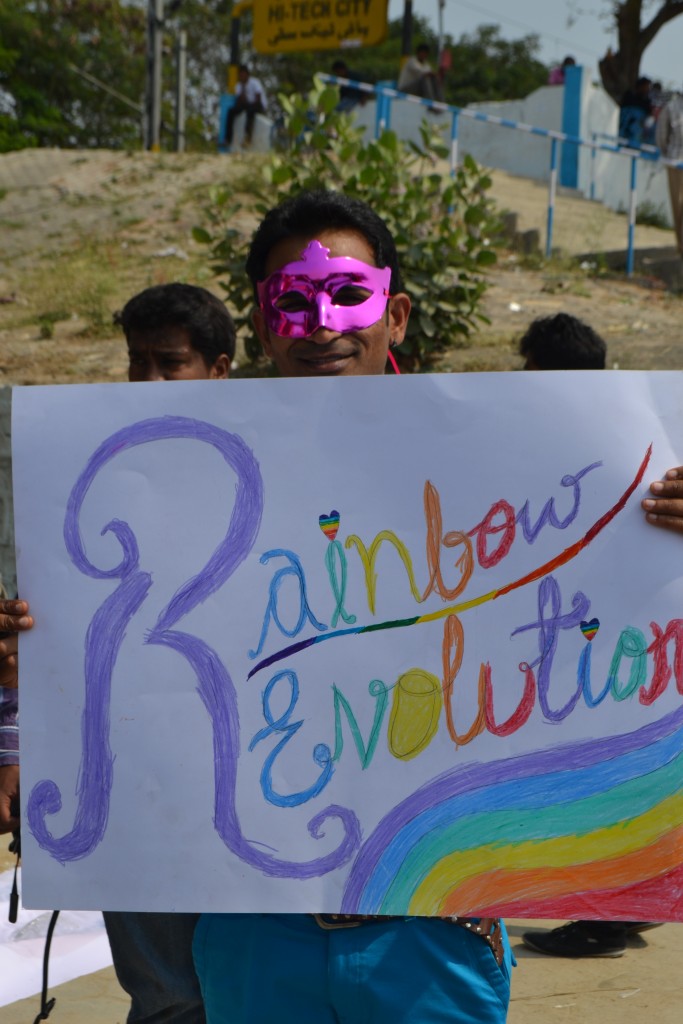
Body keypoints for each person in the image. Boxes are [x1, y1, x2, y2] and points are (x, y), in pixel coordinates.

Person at [190, 190, 511, 1023]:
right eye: (291, 300)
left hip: (432, 923)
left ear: (395, 314)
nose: (320, 321)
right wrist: (36, 647)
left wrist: (656, 535)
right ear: (262, 323)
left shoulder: (502, 463)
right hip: (251, 917)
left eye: (347, 295)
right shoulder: (186, 478)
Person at [1, 282, 235, 1024]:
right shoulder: (79, 465)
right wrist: (15, 714)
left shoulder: (276, 465)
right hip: (125, 777)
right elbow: (45, 621)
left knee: (239, 987)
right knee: (165, 992)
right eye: (137, 362)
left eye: (171, 363)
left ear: (220, 370)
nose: (148, 382)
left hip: (239, 782)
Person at [519, 313, 661, 959]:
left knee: (584, 771)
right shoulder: (639, 429)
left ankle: (605, 914)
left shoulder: (556, 436)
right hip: (618, 636)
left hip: (582, 633)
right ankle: (625, 903)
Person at [656, 89, 683, 256]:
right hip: (676, 164)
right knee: (678, 206)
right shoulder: (672, 108)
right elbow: (662, 138)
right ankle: (681, 245)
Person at [225, 65, 267, 150]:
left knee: (250, 112)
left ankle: (248, 137)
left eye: (243, 74)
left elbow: (258, 98)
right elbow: (239, 101)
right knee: (231, 111)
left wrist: (247, 103)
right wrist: (242, 96)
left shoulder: (255, 83)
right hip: (247, 105)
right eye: (240, 75)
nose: (242, 77)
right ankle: (227, 139)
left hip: (257, 105)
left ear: (247, 75)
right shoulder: (239, 86)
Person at [619, 76, 653, 146]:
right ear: (640, 86)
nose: (647, 89)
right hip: (623, 134)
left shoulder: (646, 103)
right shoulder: (629, 97)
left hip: (635, 138)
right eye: (646, 87)